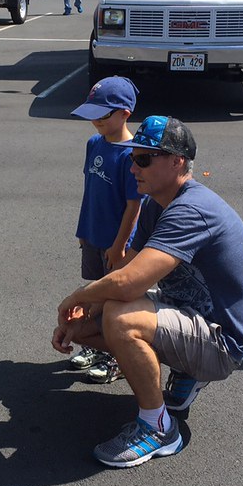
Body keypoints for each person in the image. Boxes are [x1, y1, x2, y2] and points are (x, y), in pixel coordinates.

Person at [52, 116, 243, 468]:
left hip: (222, 343)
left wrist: (78, 296)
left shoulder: (192, 209)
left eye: (143, 159)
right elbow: (124, 270)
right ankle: (187, 371)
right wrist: (85, 314)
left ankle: (159, 428)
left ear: (177, 161)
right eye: (132, 158)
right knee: (91, 322)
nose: (133, 167)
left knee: (120, 316)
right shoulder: (154, 204)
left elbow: (130, 284)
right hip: (190, 315)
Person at [67, 76, 144, 384]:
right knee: (94, 292)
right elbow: (91, 190)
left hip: (116, 244)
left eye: (103, 114)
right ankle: (93, 343)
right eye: (93, 114)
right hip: (93, 234)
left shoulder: (132, 156)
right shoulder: (94, 144)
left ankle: (114, 355)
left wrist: (120, 244)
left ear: (125, 113)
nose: (96, 121)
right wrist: (84, 231)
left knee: (113, 298)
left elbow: (133, 206)